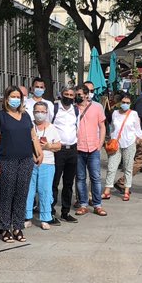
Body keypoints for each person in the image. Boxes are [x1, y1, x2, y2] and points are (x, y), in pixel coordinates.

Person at [0, 85, 40, 242]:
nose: (15, 100)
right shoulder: (0, 116)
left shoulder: (26, 115)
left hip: (26, 160)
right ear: (7, 98)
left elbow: (32, 135)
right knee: (6, 194)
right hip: (6, 160)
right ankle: (5, 227)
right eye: (12, 96)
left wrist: (38, 152)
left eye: (18, 97)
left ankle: (18, 226)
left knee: (22, 193)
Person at [26, 101, 61, 230]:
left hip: (47, 163)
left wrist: (48, 146)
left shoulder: (51, 128)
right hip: (30, 163)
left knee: (45, 191)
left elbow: (58, 145)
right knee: (29, 191)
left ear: (46, 113)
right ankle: (27, 216)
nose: (39, 114)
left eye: (42, 112)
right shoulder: (29, 127)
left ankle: (46, 217)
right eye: (37, 111)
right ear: (33, 113)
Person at [102, 92, 142, 202]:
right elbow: (111, 127)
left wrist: (137, 140)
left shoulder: (134, 114)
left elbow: (138, 130)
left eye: (127, 103)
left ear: (130, 104)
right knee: (111, 166)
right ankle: (107, 190)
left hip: (129, 143)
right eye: (123, 102)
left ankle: (126, 190)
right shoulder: (114, 113)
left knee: (128, 168)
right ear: (120, 103)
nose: (125, 104)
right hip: (116, 143)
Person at [75, 84, 107, 216]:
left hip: (93, 147)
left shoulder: (97, 107)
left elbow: (102, 126)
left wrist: (100, 144)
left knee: (95, 177)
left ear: (87, 95)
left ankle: (97, 204)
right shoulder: (72, 108)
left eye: (80, 94)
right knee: (80, 178)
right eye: (76, 94)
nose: (78, 96)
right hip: (78, 147)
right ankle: (83, 204)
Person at [50, 84, 79, 224]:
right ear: (61, 95)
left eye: (71, 95)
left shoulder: (76, 110)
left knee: (68, 183)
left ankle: (65, 212)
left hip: (72, 149)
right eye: (66, 95)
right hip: (58, 150)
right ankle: (50, 212)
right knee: (54, 182)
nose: (68, 97)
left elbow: (76, 127)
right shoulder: (54, 109)